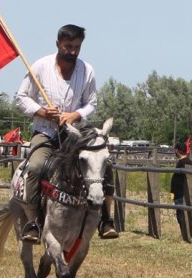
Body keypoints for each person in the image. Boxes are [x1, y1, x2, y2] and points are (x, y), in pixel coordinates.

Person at [14, 24, 118, 242]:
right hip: (46, 132)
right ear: (58, 44)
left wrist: (76, 115)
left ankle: (107, 219)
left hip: (76, 135)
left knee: (104, 166)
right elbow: (21, 98)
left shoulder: (87, 70)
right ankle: (33, 222)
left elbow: (92, 103)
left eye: (77, 47)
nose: (72, 51)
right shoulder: (40, 67)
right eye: (68, 46)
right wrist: (42, 112)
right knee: (35, 167)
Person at [170, 142, 192, 232]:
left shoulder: (186, 162)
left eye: (175, 150)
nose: (174, 152)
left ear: (178, 150)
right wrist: (172, 195)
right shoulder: (181, 161)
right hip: (177, 194)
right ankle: (184, 233)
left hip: (182, 194)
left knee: (182, 215)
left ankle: (185, 233)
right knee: (179, 214)